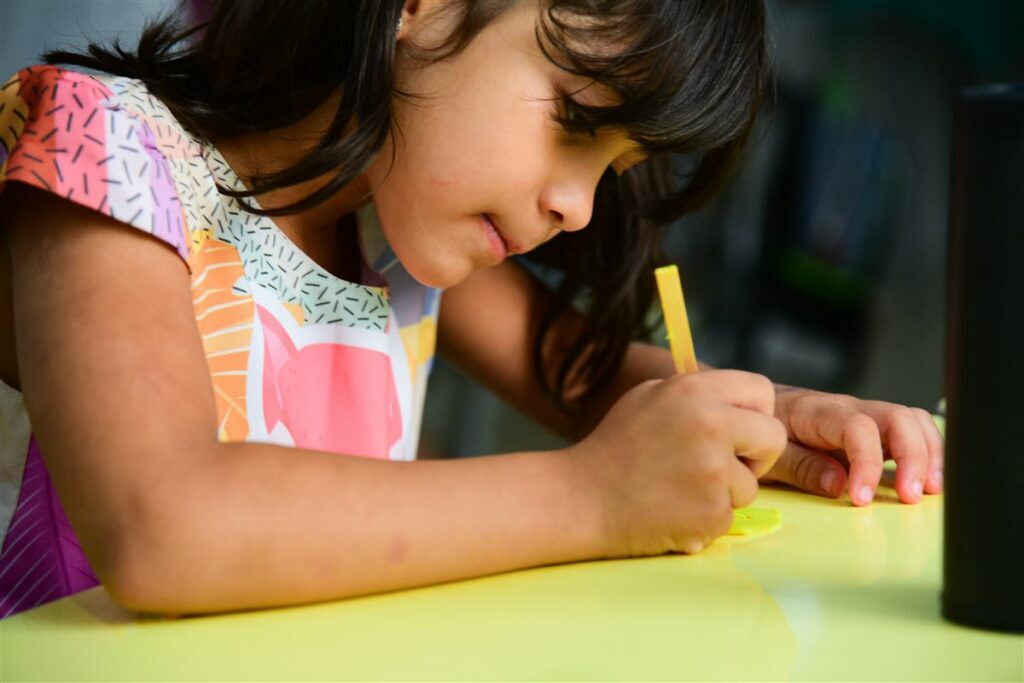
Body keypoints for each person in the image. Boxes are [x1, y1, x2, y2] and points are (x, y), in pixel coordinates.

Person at [0, 0, 943, 619]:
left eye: (611, 169)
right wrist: (592, 497)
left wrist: (781, 421)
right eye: (575, 118)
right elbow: (163, 527)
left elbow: (587, 378)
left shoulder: (387, 232)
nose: (577, 206)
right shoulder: (106, 149)